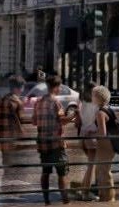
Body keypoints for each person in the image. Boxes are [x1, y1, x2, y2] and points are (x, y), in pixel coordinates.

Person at [35, 73, 76, 204]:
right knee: (62, 173)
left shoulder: (39, 102)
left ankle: (46, 200)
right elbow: (63, 121)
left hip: (43, 143)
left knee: (45, 172)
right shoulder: (56, 103)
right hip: (56, 144)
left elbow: (34, 121)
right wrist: (74, 114)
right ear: (57, 87)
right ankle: (65, 200)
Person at [0, 75, 30, 207]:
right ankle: (12, 192)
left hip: (2, 138)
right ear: (18, 89)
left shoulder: (0, 100)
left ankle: (5, 189)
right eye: (22, 87)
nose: (23, 90)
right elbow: (22, 121)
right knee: (16, 166)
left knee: (6, 165)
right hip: (14, 139)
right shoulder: (17, 102)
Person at [89, 86, 117, 203]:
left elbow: (103, 133)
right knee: (103, 171)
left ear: (98, 98)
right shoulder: (108, 109)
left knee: (104, 172)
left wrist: (93, 134)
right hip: (111, 144)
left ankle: (108, 198)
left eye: (93, 95)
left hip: (105, 145)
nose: (91, 97)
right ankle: (104, 197)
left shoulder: (100, 113)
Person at [75, 83, 100, 201]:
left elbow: (78, 122)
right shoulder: (96, 105)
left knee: (90, 165)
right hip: (92, 137)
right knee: (91, 166)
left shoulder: (82, 103)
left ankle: (82, 190)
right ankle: (86, 193)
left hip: (83, 136)